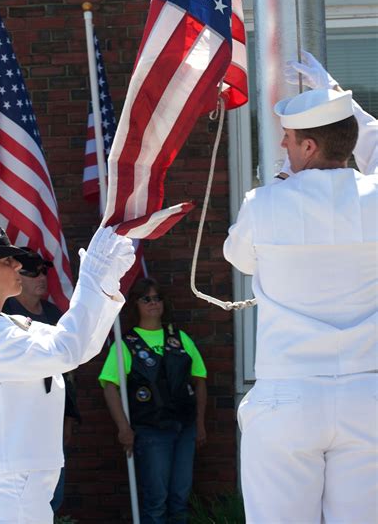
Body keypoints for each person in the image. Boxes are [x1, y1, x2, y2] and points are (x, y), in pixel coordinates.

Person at [223, 51, 377, 523]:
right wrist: (346, 106)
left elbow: (239, 257)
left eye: (289, 140)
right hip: (366, 396)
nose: (283, 149)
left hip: (288, 395)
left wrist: (279, 187)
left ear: (308, 148)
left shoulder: (264, 202)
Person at [0, 223, 135, 524]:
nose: (19, 265)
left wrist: (105, 283)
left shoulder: (0, 325)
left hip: (18, 478)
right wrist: (92, 277)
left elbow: (80, 346)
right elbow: (67, 349)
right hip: (8, 484)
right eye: (7, 261)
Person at [99, 277, 207, 524]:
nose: (153, 303)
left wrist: (199, 424)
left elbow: (200, 380)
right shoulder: (127, 343)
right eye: (146, 298)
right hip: (151, 432)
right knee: (156, 501)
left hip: (184, 428)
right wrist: (123, 428)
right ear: (136, 304)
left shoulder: (179, 338)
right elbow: (109, 386)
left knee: (180, 498)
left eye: (157, 298)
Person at [2, 248, 81, 514]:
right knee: (18, 497)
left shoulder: (54, 315)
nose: (41, 277)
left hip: (51, 417)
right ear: (16, 276)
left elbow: (66, 372)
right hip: (15, 420)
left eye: (43, 271)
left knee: (51, 496)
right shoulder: (2, 315)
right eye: (32, 272)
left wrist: (68, 415)